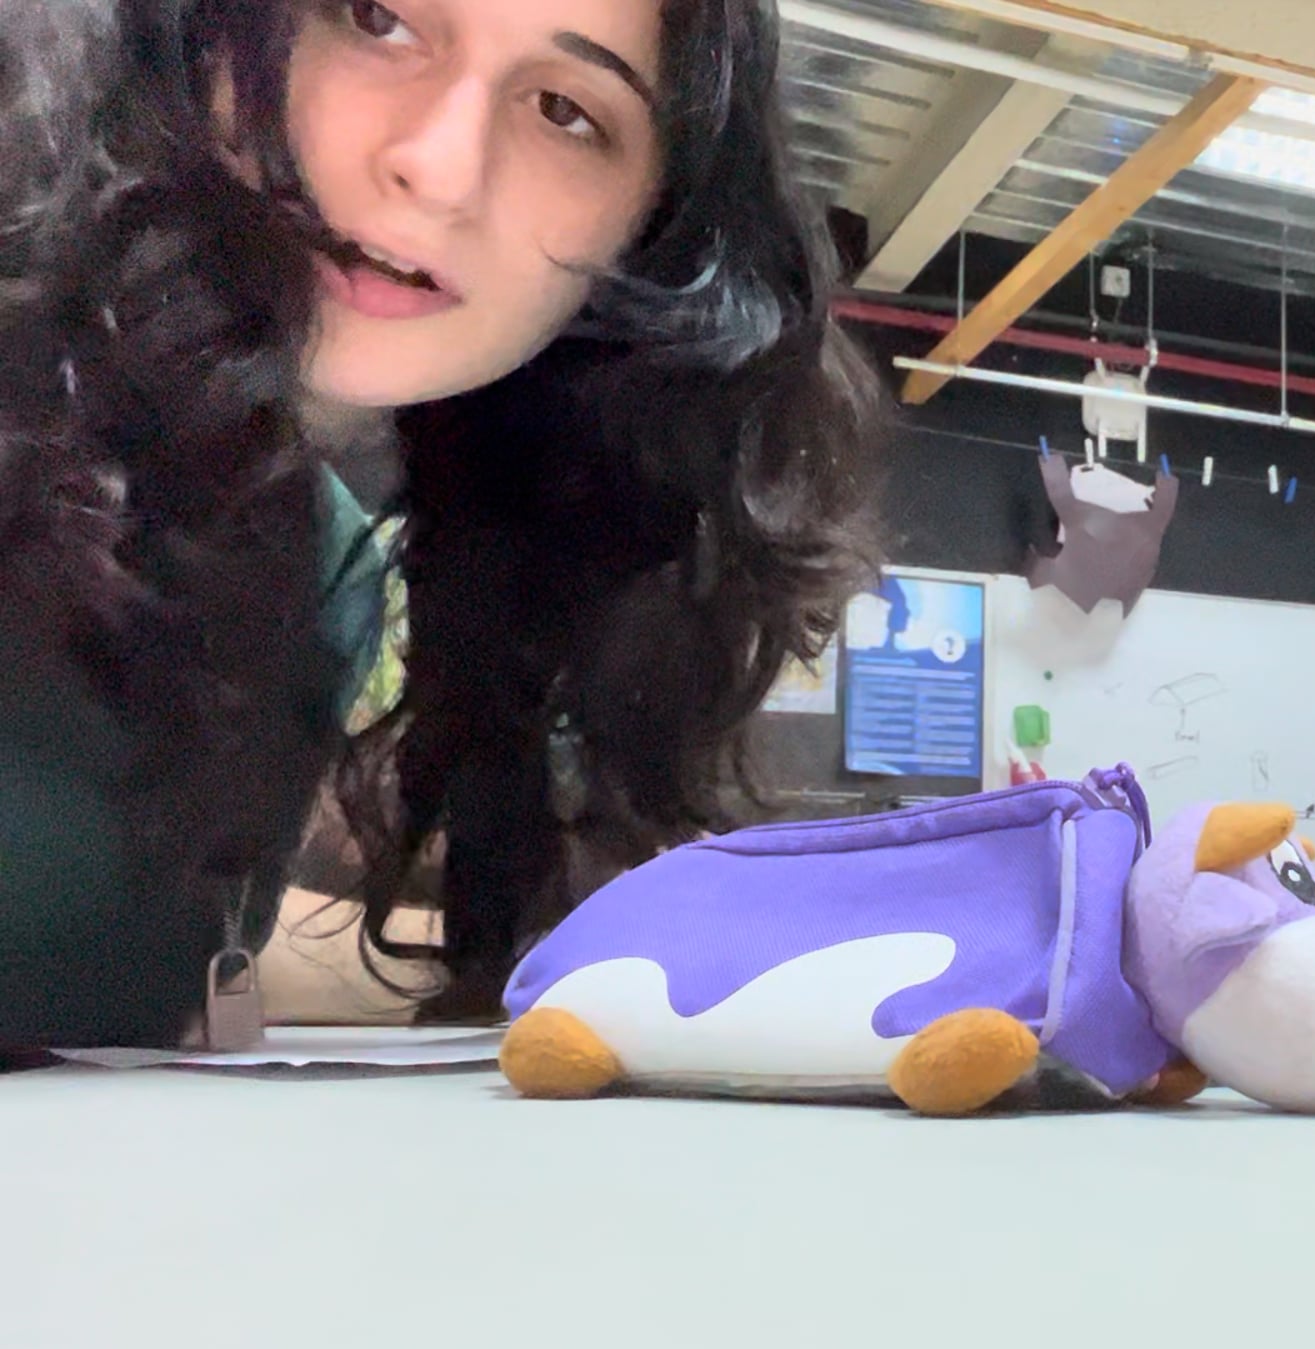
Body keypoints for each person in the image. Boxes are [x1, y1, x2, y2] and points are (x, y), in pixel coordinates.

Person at [0, 0, 883, 1049]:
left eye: (564, 110)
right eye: (377, 18)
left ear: (650, 236)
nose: (442, 167)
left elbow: (114, 958)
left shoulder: (316, 570)